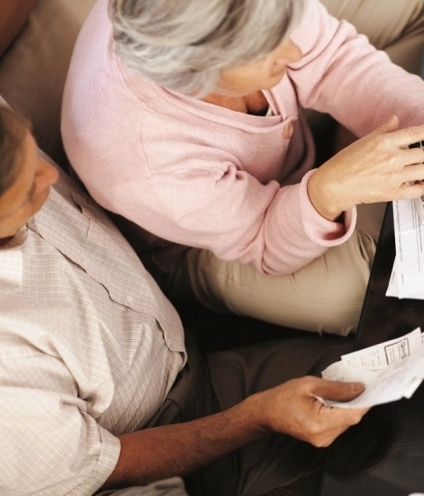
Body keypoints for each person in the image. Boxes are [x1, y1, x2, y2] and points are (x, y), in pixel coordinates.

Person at [62, 0, 424, 336]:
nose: (293, 48)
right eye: (269, 48)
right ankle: (355, 156)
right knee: (364, 296)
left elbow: (332, 57)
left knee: (415, 9)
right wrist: (329, 190)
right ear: (198, 72)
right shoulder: (144, 162)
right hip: (218, 235)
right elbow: (263, 238)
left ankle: (362, 145)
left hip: (278, 145)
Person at [0, 105, 368, 495]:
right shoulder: (8, 370)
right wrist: (258, 417)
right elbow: (102, 467)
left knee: (386, 388)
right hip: (156, 461)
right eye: (28, 191)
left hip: (195, 364)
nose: (52, 174)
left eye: (34, 150)